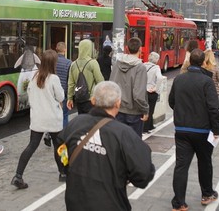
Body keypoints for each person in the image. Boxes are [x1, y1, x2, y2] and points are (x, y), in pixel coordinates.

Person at [58, 80, 155, 211]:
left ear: (92, 101)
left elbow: (60, 151)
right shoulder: (124, 134)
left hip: (75, 202)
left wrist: (67, 166)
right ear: (118, 104)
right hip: (111, 203)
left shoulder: (75, 124)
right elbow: (143, 175)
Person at [169, 48, 219, 210]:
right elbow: (213, 108)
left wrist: (181, 112)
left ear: (190, 61)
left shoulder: (179, 79)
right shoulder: (207, 81)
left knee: (181, 165)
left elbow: (172, 101)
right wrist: (216, 129)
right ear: (203, 62)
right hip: (202, 130)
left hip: (182, 129)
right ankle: (207, 194)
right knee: (205, 162)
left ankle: (179, 203)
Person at [11, 50, 65, 189]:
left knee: (31, 146)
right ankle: (63, 173)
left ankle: (18, 175)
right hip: (53, 118)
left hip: (37, 118)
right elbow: (61, 97)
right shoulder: (54, 78)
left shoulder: (35, 77)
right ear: (53, 63)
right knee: (59, 146)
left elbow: (29, 94)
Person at [110, 37, 149, 137]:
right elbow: (138, 95)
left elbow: (111, 86)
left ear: (127, 48)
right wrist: (145, 109)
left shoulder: (117, 64)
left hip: (117, 110)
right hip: (134, 112)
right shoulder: (140, 67)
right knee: (133, 145)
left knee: (118, 142)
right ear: (140, 49)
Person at [44, 41, 72, 147]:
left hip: (51, 93)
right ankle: (63, 137)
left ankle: (48, 134)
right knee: (64, 115)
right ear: (65, 50)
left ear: (56, 49)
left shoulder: (53, 62)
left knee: (52, 115)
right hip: (62, 92)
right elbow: (70, 80)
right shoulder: (69, 63)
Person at [67, 39, 104, 115]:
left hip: (79, 99)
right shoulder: (93, 63)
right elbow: (100, 81)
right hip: (91, 99)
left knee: (82, 122)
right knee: (92, 123)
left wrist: (70, 98)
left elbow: (71, 84)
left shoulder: (73, 64)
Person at [143, 51, 163, 133]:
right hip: (152, 91)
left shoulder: (143, 65)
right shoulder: (156, 68)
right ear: (157, 60)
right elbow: (160, 78)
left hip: (143, 91)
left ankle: (150, 126)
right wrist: (156, 88)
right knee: (150, 111)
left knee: (144, 109)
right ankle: (145, 128)